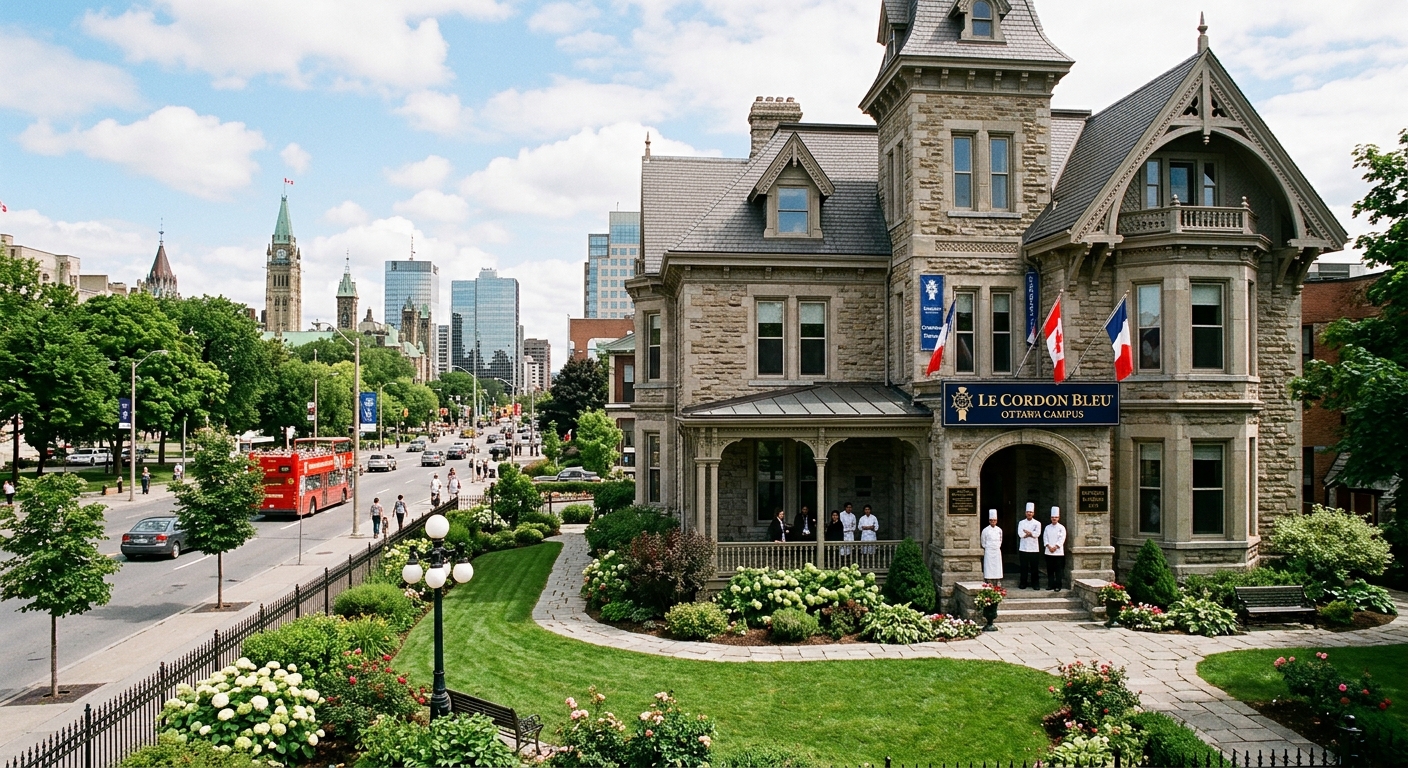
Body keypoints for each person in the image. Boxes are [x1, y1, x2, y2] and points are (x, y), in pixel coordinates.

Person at [1017, 502, 1043, 590]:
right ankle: (1023, 583)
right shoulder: (1021, 522)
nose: (1029, 513)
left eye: (1031, 512)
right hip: (1023, 548)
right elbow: (1020, 533)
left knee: (1034, 567)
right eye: (1028, 512)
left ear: (1033, 513)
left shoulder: (1037, 523)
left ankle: (1035, 584)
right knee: (1023, 567)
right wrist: (1031, 533)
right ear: (1025, 513)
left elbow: (1037, 534)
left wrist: (1029, 533)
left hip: (1034, 549)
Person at [1043, 507, 1067, 591]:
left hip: (1058, 552)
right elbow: (1045, 538)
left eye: (1056, 517)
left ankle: (1058, 585)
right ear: (1050, 518)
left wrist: (1055, 547)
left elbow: (1062, 539)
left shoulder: (1061, 528)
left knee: (1058, 570)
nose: (1054, 519)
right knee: (1050, 570)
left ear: (1058, 518)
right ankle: (1050, 585)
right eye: (1053, 517)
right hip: (1048, 551)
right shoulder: (1047, 527)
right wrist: (1049, 546)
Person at [981, 509, 1004, 584]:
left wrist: (997, 546)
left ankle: (998, 580)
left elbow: (1001, 539)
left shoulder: (999, 530)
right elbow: (983, 541)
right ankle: (988, 579)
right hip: (989, 550)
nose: (993, 522)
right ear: (989, 521)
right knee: (989, 565)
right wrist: (987, 547)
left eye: (994, 520)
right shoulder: (985, 530)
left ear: (996, 521)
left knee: (997, 565)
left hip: (996, 550)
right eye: (991, 520)